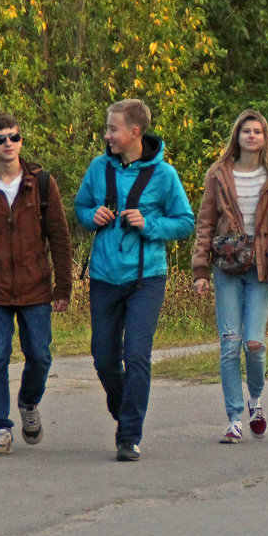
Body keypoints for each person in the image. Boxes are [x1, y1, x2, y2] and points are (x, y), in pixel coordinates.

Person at [74, 99, 195, 462]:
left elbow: (185, 221)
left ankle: (129, 435)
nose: (106, 135)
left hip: (147, 278)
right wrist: (91, 215)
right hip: (104, 277)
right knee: (103, 357)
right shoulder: (98, 168)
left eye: (112, 129)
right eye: (107, 128)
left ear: (134, 132)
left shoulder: (165, 175)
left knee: (137, 354)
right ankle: (125, 405)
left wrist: (150, 224)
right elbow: (79, 208)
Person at [0, 112, 73, 456]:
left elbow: (59, 237)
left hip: (35, 287)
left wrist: (63, 288)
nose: (8, 143)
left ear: (21, 140)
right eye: (0, 139)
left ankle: (28, 402)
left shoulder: (41, 182)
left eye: (14, 137)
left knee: (39, 356)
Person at [191, 109, 268, 444]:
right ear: (237, 136)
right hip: (226, 266)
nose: (251, 136)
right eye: (246, 131)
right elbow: (204, 223)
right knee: (230, 344)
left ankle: (255, 402)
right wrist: (200, 269)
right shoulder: (218, 174)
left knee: (254, 343)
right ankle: (234, 418)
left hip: (261, 266)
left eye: (257, 131)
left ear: (265, 137)